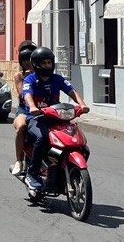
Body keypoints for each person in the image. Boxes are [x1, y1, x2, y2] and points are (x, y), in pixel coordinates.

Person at [21, 46, 90, 199]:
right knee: (42, 138)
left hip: (55, 117)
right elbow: (27, 94)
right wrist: (32, 107)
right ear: (36, 64)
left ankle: (66, 169)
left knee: (75, 139)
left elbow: (71, 90)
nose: (47, 66)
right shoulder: (30, 79)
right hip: (36, 118)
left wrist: (82, 104)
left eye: (49, 62)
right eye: (44, 63)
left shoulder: (57, 79)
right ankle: (33, 174)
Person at [10, 39, 37, 176]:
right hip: (24, 109)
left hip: (43, 108)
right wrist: (29, 78)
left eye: (30, 58)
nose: (28, 62)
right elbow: (22, 93)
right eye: (25, 59)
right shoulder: (19, 76)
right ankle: (19, 160)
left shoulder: (43, 72)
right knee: (21, 126)